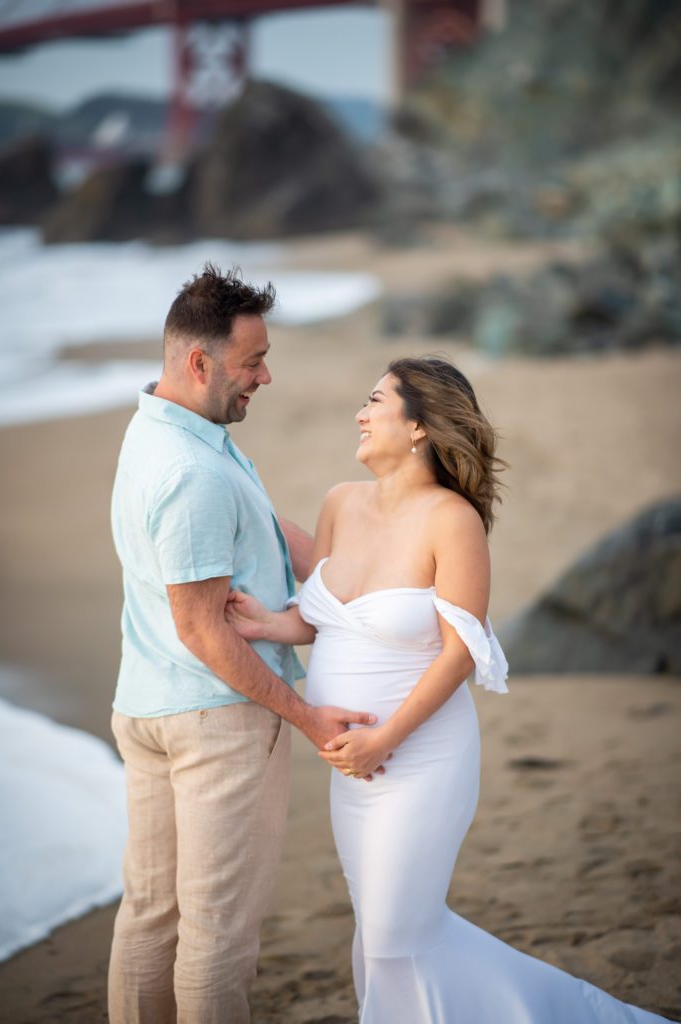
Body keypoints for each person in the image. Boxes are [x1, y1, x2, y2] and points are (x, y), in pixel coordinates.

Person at [225, 356, 671, 1023]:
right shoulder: (340, 503)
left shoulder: (452, 521)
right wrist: (268, 622)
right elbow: (324, 615)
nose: (361, 412)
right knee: (379, 936)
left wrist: (385, 739)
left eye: (375, 400)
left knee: (399, 936)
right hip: (354, 769)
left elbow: (462, 652)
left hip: (421, 758)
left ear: (418, 428)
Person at [108, 264, 376, 1024]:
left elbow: (264, 527)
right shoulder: (192, 471)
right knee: (218, 937)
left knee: (151, 917)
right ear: (200, 363)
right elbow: (203, 627)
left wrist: (371, 574)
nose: (266, 375)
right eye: (252, 361)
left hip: (148, 707)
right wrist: (305, 715)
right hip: (215, 722)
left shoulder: (164, 427)